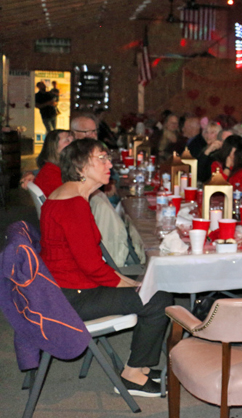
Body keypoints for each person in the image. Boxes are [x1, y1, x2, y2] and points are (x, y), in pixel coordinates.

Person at [40, 138, 172, 396]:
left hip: (66, 289)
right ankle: (133, 375)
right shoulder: (73, 205)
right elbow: (92, 267)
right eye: (101, 158)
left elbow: (90, 263)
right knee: (159, 299)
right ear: (80, 167)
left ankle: (141, 367)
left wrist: (129, 282)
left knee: (150, 290)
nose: (109, 163)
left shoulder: (70, 195)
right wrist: (132, 285)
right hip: (74, 297)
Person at [33, 130, 73, 197]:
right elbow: (71, 195)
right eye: (67, 140)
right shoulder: (50, 174)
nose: (73, 144)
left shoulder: (57, 168)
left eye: (73, 140)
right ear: (54, 147)